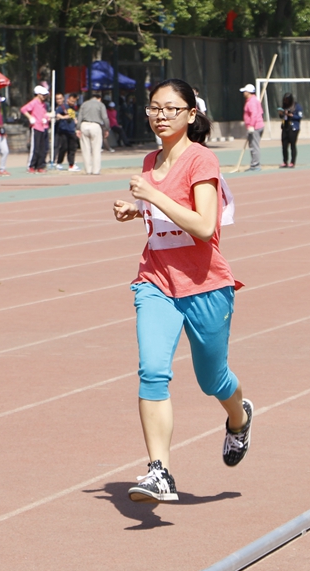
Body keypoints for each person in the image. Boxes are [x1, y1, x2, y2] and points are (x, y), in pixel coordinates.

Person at [113, 78, 253, 503]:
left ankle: (239, 417)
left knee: (212, 379)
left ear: (191, 114)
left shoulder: (201, 160)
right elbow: (163, 216)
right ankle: (160, 472)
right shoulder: (150, 160)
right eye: (154, 107)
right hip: (155, 281)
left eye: (171, 108)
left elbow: (204, 226)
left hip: (205, 285)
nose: (161, 115)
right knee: (153, 371)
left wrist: (152, 196)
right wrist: (136, 209)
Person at [76, 91, 110, 175]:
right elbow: (105, 117)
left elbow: (79, 116)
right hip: (95, 125)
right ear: (99, 98)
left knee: (85, 149)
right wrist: (107, 128)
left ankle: (88, 170)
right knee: (96, 149)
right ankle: (96, 170)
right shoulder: (100, 105)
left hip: (84, 125)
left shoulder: (84, 104)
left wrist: (78, 128)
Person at [21, 85, 51, 174]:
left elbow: (44, 113)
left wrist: (46, 118)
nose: (44, 97)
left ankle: (40, 166)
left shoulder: (44, 104)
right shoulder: (34, 102)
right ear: (38, 94)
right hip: (36, 127)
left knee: (43, 148)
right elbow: (23, 109)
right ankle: (31, 166)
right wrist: (30, 117)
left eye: (45, 95)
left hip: (44, 127)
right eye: (43, 95)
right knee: (35, 148)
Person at [240, 83, 264, 172]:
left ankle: (255, 164)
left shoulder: (252, 102)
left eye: (245, 91)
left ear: (248, 92)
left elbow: (254, 114)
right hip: (255, 126)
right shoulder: (252, 100)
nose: (244, 93)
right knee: (252, 145)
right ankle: (254, 163)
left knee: (254, 146)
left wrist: (251, 126)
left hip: (255, 127)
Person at [56, 92, 80, 171]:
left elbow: (73, 117)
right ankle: (59, 163)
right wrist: (63, 117)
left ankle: (71, 164)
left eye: (74, 101)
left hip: (71, 130)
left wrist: (75, 121)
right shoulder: (62, 107)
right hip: (64, 130)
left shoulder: (73, 108)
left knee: (72, 148)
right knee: (64, 147)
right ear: (68, 99)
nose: (72, 102)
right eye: (71, 101)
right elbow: (57, 114)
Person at [278, 93, 303, 168]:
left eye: (287, 100)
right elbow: (282, 116)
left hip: (293, 128)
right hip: (285, 127)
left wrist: (291, 115)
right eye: (284, 100)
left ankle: (292, 162)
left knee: (292, 145)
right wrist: (281, 114)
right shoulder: (284, 106)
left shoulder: (297, 106)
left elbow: (299, 116)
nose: (286, 102)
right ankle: (285, 161)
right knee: (284, 145)